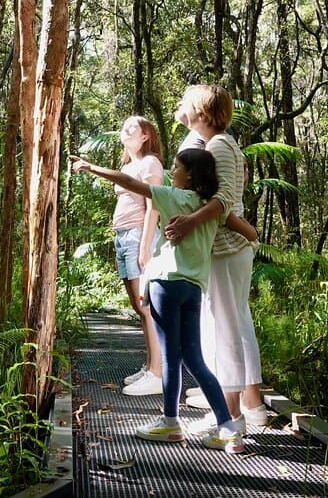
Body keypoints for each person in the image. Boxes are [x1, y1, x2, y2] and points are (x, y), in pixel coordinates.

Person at [69, 149, 249, 453]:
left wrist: (91, 167)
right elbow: (249, 232)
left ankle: (170, 423)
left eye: (176, 168)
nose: (171, 172)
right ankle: (228, 428)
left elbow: (129, 181)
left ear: (189, 175)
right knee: (194, 359)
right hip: (193, 288)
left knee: (170, 357)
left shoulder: (172, 197)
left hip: (166, 284)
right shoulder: (212, 208)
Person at [166, 85, 269, 431]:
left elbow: (223, 200)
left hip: (226, 248)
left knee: (224, 328)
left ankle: (231, 414)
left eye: (188, 103)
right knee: (235, 324)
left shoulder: (220, 145)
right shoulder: (217, 144)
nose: (183, 108)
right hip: (228, 248)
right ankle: (245, 408)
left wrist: (188, 222)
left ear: (204, 112)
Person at [111, 116, 165, 396]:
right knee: (137, 304)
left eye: (134, 127)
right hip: (122, 237)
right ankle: (150, 365)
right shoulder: (128, 166)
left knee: (146, 305)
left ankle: (158, 373)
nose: (126, 129)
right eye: (125, 126)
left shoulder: (150, 163)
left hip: (137, 237)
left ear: (146, 135)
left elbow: (153, 206)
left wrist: (145, 247)